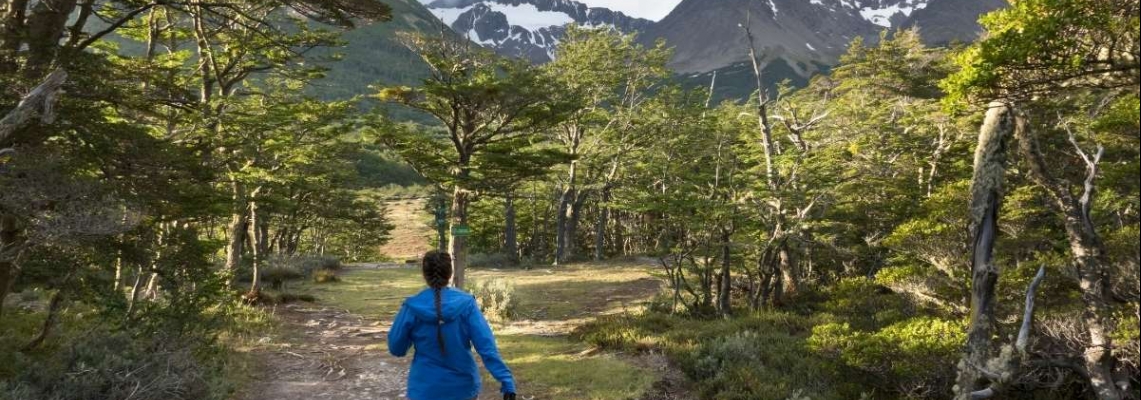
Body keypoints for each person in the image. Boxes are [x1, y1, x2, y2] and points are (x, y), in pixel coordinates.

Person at [388, 250, 518, 400]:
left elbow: (396, 348)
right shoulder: (467, 304)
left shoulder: (412, 307)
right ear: (450, 273)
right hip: (463, 389)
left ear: (424, 274)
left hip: (425, 389)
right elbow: (486, 347)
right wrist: (506, 381)